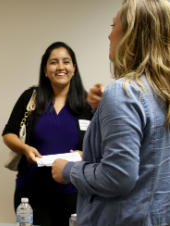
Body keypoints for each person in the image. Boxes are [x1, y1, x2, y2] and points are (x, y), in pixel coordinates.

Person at [52, 0, 170, 225]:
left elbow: (118, 177)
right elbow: (149, 161)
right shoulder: (162, 92)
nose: (109, 36)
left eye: (113, 26)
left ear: (131, 34)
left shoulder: (124, 93)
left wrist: (69, 170)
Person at [2, 42, 93, 226]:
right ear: (45, 70)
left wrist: (85, 155)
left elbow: (102, 145)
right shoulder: (30, 98)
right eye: (54, 62)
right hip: (31, 195)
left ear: (73, 68)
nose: (60, 67)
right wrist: (25, 148)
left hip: (74, 193)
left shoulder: (88, 103)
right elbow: (9, 133)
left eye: (66, 62)